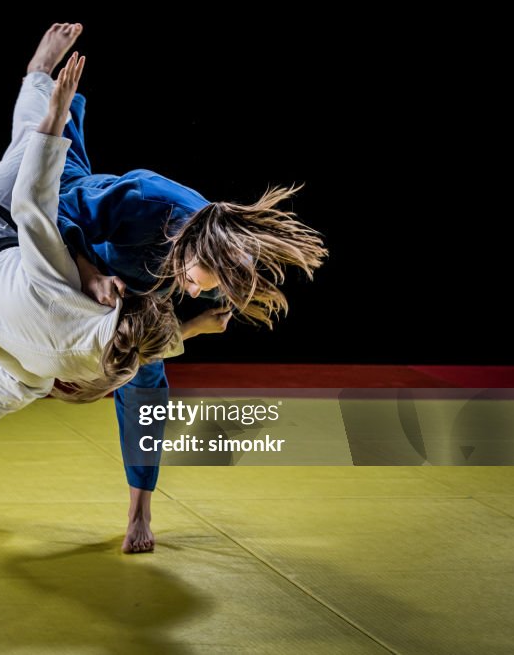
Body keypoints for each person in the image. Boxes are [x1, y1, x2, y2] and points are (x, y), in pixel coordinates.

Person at [55, 79, 329, 552]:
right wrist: (89, 275)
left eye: (210, 287)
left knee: (146, 385)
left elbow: (157, 331)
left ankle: (139, 510)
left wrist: (198, 322)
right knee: (51, 134)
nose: (200, 290)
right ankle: (57, 99)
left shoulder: (217, 250)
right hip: (79, 222)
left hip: (138, 283)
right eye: (201, 280)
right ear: (190, 245)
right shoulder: (143, 200)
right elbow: (56, 214)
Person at [0, 25, 181, 447]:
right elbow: (149, 346)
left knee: (32, 147)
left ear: (111, 299)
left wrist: (56, 116)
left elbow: (31, 204)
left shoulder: (59, 288)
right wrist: (202, 325)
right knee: (30, 381)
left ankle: (37, 70)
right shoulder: (98, 366)